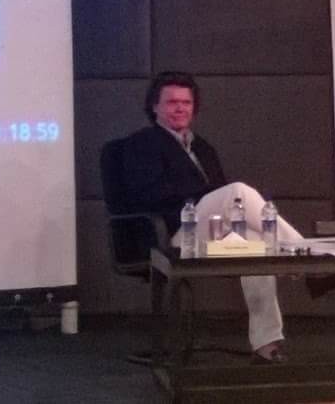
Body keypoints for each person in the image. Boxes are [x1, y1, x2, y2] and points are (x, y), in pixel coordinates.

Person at [120, 71, 303, 363]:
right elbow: (148, 194)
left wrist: (213, 200)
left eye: (186, 103)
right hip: (174, 234)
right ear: (155, 107)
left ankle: (267, 346)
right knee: (238, 191)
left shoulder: (203, 148)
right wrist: (202, 195)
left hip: (212, 232)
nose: (180, 109)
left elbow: (223, 199)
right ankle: (304, 254)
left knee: (259, 249)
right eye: (172, 102)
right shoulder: (141, 144)